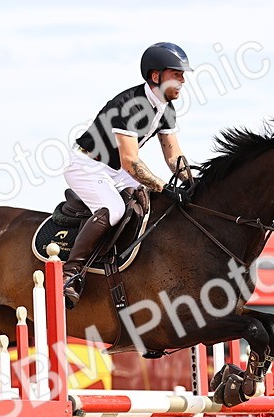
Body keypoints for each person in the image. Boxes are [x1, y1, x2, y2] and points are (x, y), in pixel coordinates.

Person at [62, 42, 195, 308]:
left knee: (150, 206)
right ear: (155, 76)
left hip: (116, 170)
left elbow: (173, 156)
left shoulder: (166, 108)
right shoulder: (132, 105)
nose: (182, 80)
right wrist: (162, 186)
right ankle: (71, 273)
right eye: (176, 74)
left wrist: (192, 183)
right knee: (114, 209)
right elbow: (131, 161)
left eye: (183, 75)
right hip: (88, 165)